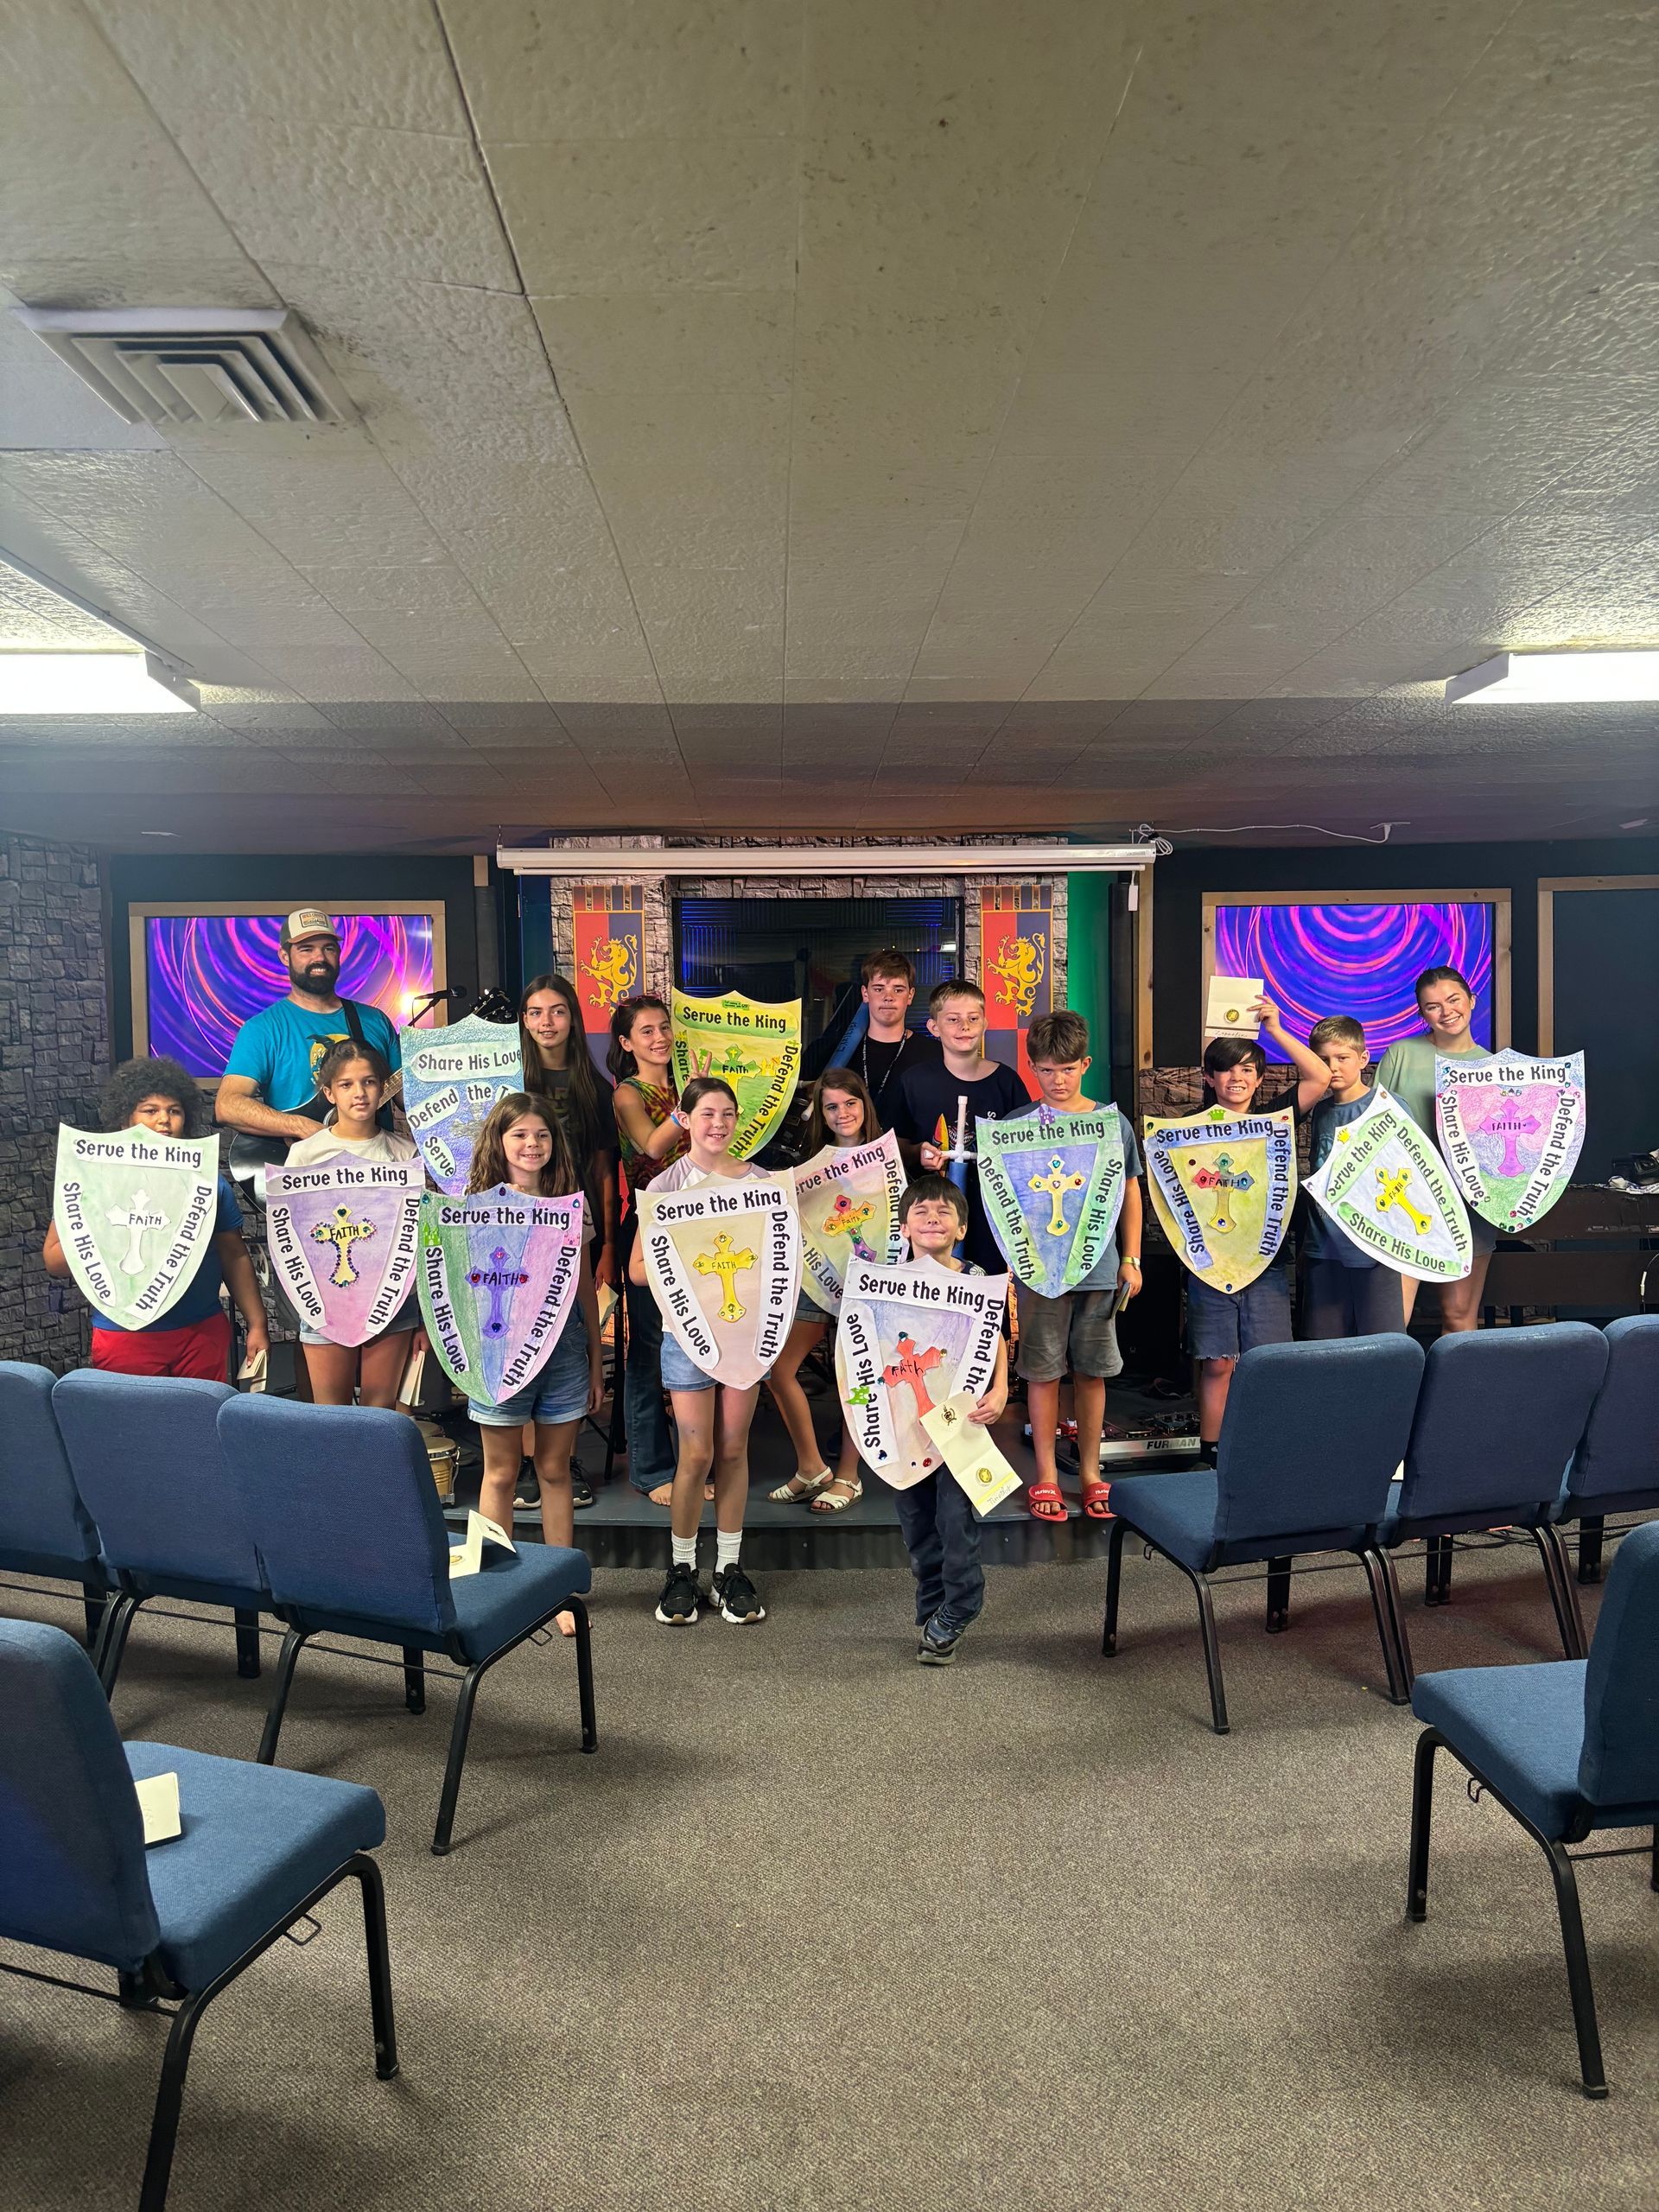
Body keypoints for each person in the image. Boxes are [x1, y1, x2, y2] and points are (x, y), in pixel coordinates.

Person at [628, 1075, 771, 1628]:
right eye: (707, 1113)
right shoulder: (665, 1186)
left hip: (745, 1334)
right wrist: (684, 1263)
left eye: (727, 1113)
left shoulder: (762, 1183)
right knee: (696, 1454)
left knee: (733, 1449)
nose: (718, 1123)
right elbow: (637, 1272)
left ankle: (728, 1568)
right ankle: (683, 1568)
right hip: (687, 1334)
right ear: (686, 1120)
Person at [464, 1093, 603, 1632]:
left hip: (564, 1350)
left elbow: (585, 1285)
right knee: (500, 1472)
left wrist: (595, 1356)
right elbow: (457, 1286)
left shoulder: (571, 1205)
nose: (532, 1144)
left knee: (554, 1469)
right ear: (499, 1142)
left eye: (542, 1135)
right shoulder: (474, 1207)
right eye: (519, 1134)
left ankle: (558, 1589)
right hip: (498, 1350)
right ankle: (497, 1590)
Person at [42, 1056, 268, 1381]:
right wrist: (100, 1222)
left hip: (200, 1332)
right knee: (134, 1416)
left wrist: (257, 1323)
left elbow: (234, 1255)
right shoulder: (90, 1182)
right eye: (150, 1111)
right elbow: (54, 1261)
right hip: (125, 1334)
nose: (164, 1120)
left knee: (202, 1415)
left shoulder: (207, 1183)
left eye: (174, 1111)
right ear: (126, 1119)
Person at [1182, 999, 1332, 1457]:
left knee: (1268, 1362)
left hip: (1265, 1261)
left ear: (1261, 1078)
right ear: (1209, 1077)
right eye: (1226, 1069)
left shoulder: (1275, 1120)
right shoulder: (1186, 1131)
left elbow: (1320, 1077)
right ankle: (1213, 1456)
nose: (1237, 1078)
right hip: (1209, 1264)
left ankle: (1268, 1452)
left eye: (1248, 1069)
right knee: (1217, 1364)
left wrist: (1276, 1029)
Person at [1010, 1011, 1142, 1524]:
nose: (1057, 1080)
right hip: (1040, 1271)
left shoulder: (1111, 1124)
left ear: (1085, 1064)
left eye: (1067, 1069)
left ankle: (1090, 1472)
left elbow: (1130, 1191)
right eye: (1046, 1070)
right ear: (1032, 1068)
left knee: (1093, 1371)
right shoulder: (1017, 1127)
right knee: (1042, 1373)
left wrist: (1130, 1258)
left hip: (1099, 1268)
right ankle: (1045, 1474)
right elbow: (1005, 1200)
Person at [890, 1173, 1010, 1665]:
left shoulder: (978, 1278)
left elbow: (996, 1339)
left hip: (960, 1421)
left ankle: (960, 1607)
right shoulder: (885, 1281)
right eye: (920, 1211)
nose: (932, 1218)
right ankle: (934, 1607)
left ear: (961, 1228)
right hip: (907, 1423)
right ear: (904, 1227)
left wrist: (1001, 1390)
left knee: (954, 1518)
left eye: (944, 1212)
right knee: (917, 1519)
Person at [518, 972, 617, 1510]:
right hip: (515, 1225)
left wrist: (606, 1243)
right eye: (535, 1012)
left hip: (573, 1226)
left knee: (570, 1332)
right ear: (524, 1020)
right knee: (520, 1330)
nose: (547, 1022)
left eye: (557, 1011)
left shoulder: (592, 1086)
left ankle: (564, 1456)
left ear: (573, 1019)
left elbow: (602, 1169)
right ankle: (527, 1461)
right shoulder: (510, 1076)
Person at [283, 1039, 423, 1408]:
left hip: (391, 1298)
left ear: (382, 1087)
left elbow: (416, 1236)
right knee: (331, 1416)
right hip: (325, 1301)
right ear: (329, 1093)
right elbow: (290, 1234)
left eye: (369, 1082)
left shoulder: (404, 1153)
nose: (359, 1093)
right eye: (346, 1084)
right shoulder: (304, 1154)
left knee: (381, 1413)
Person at [766, 1069, 880, 1512]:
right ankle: (811, 1467)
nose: (842, 1113)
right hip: (817, 1279)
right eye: (831, 1106)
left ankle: (849, 1476)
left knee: (857, 1377)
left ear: (864, 1104)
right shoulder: (809, 1162)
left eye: (850, 1103)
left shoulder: (889, 1158)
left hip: (870, 1282)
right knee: (779, 1369)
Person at [215, 908, 401, 1161]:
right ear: (285, 956)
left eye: (328, 948)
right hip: (303, 1171)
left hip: (377, 1168)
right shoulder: (263, 1029)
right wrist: (301, 1127)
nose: (320, 957)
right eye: (306, 949)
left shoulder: (375, 1021)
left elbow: (408, 1097)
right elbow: (227, 1105)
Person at [1374, 965, 1495, 1332]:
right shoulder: (1401, 1054)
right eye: (1433, 1006)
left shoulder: (1493, 1067)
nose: (1446, 1011)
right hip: (1403, 1200)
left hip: (1467, 1206)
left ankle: (1460, 1376)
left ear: (1471, 1000)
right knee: (1391, 1321)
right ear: (1422, 1013)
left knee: (1459, 1317)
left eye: (1453, 1000)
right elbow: (1373, 1127)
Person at [888, 978, 1030, 1272]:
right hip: (934, 1223)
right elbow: (891, 1145)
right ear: (934, 1027)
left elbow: (1026, 1152)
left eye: (973, 1018)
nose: (964, 1027)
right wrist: (917, 1152)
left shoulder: (1007, 1083)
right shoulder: (913, 1082)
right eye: (953, 1019)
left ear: (985, 1024)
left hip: (994, 1217)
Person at [608, 994, 687, 1505]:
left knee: (697, 1343)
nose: (659, 1038)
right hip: (650, 1225)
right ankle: (652, 1470)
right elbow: (652, 1147)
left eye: (664, 1028)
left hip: (704, 1223)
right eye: (647, 1031)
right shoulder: (627, 1094)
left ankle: (697, 1461)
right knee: (650, 1347)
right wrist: (694, 1103)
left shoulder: (686, 1083)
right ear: (626, 1042)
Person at [1301, 1016, 1408, 1340]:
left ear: (1363, 1059)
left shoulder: (1390, 1107)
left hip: (1376, 1250)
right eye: (1323, 1060)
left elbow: (1409, 1174)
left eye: (1342, 1058)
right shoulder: (1321, 1112)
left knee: (1383, 1345)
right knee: (1324, 1347)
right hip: (1324, 1247)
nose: (1332, 1067)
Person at [835, 949, 940, 1117]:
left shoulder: (935, 1054)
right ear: (865, 993)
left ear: (910, 995)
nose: (888, 997)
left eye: (898, 990)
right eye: (879, 989)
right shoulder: (837, 1053)